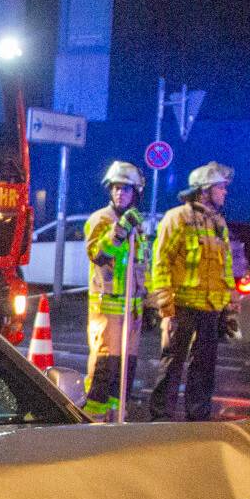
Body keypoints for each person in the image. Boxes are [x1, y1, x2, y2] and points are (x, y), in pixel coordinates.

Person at [147, 161, 237, 421]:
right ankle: (161, 415)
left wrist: (230, 303)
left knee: (204, 366)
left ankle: (198, 416)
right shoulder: (177, 218)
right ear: (205, 190)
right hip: (181, 307)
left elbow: (225, 266)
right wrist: (165, 306)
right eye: (220, 188)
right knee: (172, 363)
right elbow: (161, 263)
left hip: (210, 309)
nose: (225, 192)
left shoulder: (218, 223)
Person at [82, 160, 149, 419]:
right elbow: (97, 254)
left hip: (132, 310)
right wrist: (119, 231)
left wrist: (150, 302)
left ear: (135, 194)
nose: (120, 193)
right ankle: (93, 420)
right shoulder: (101, 219)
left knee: (125, 370)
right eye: (116, 188)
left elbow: (142, 265)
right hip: (108, 309)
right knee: (104, 366)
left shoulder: (138, 224)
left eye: (126, 189)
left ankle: (115, 417)